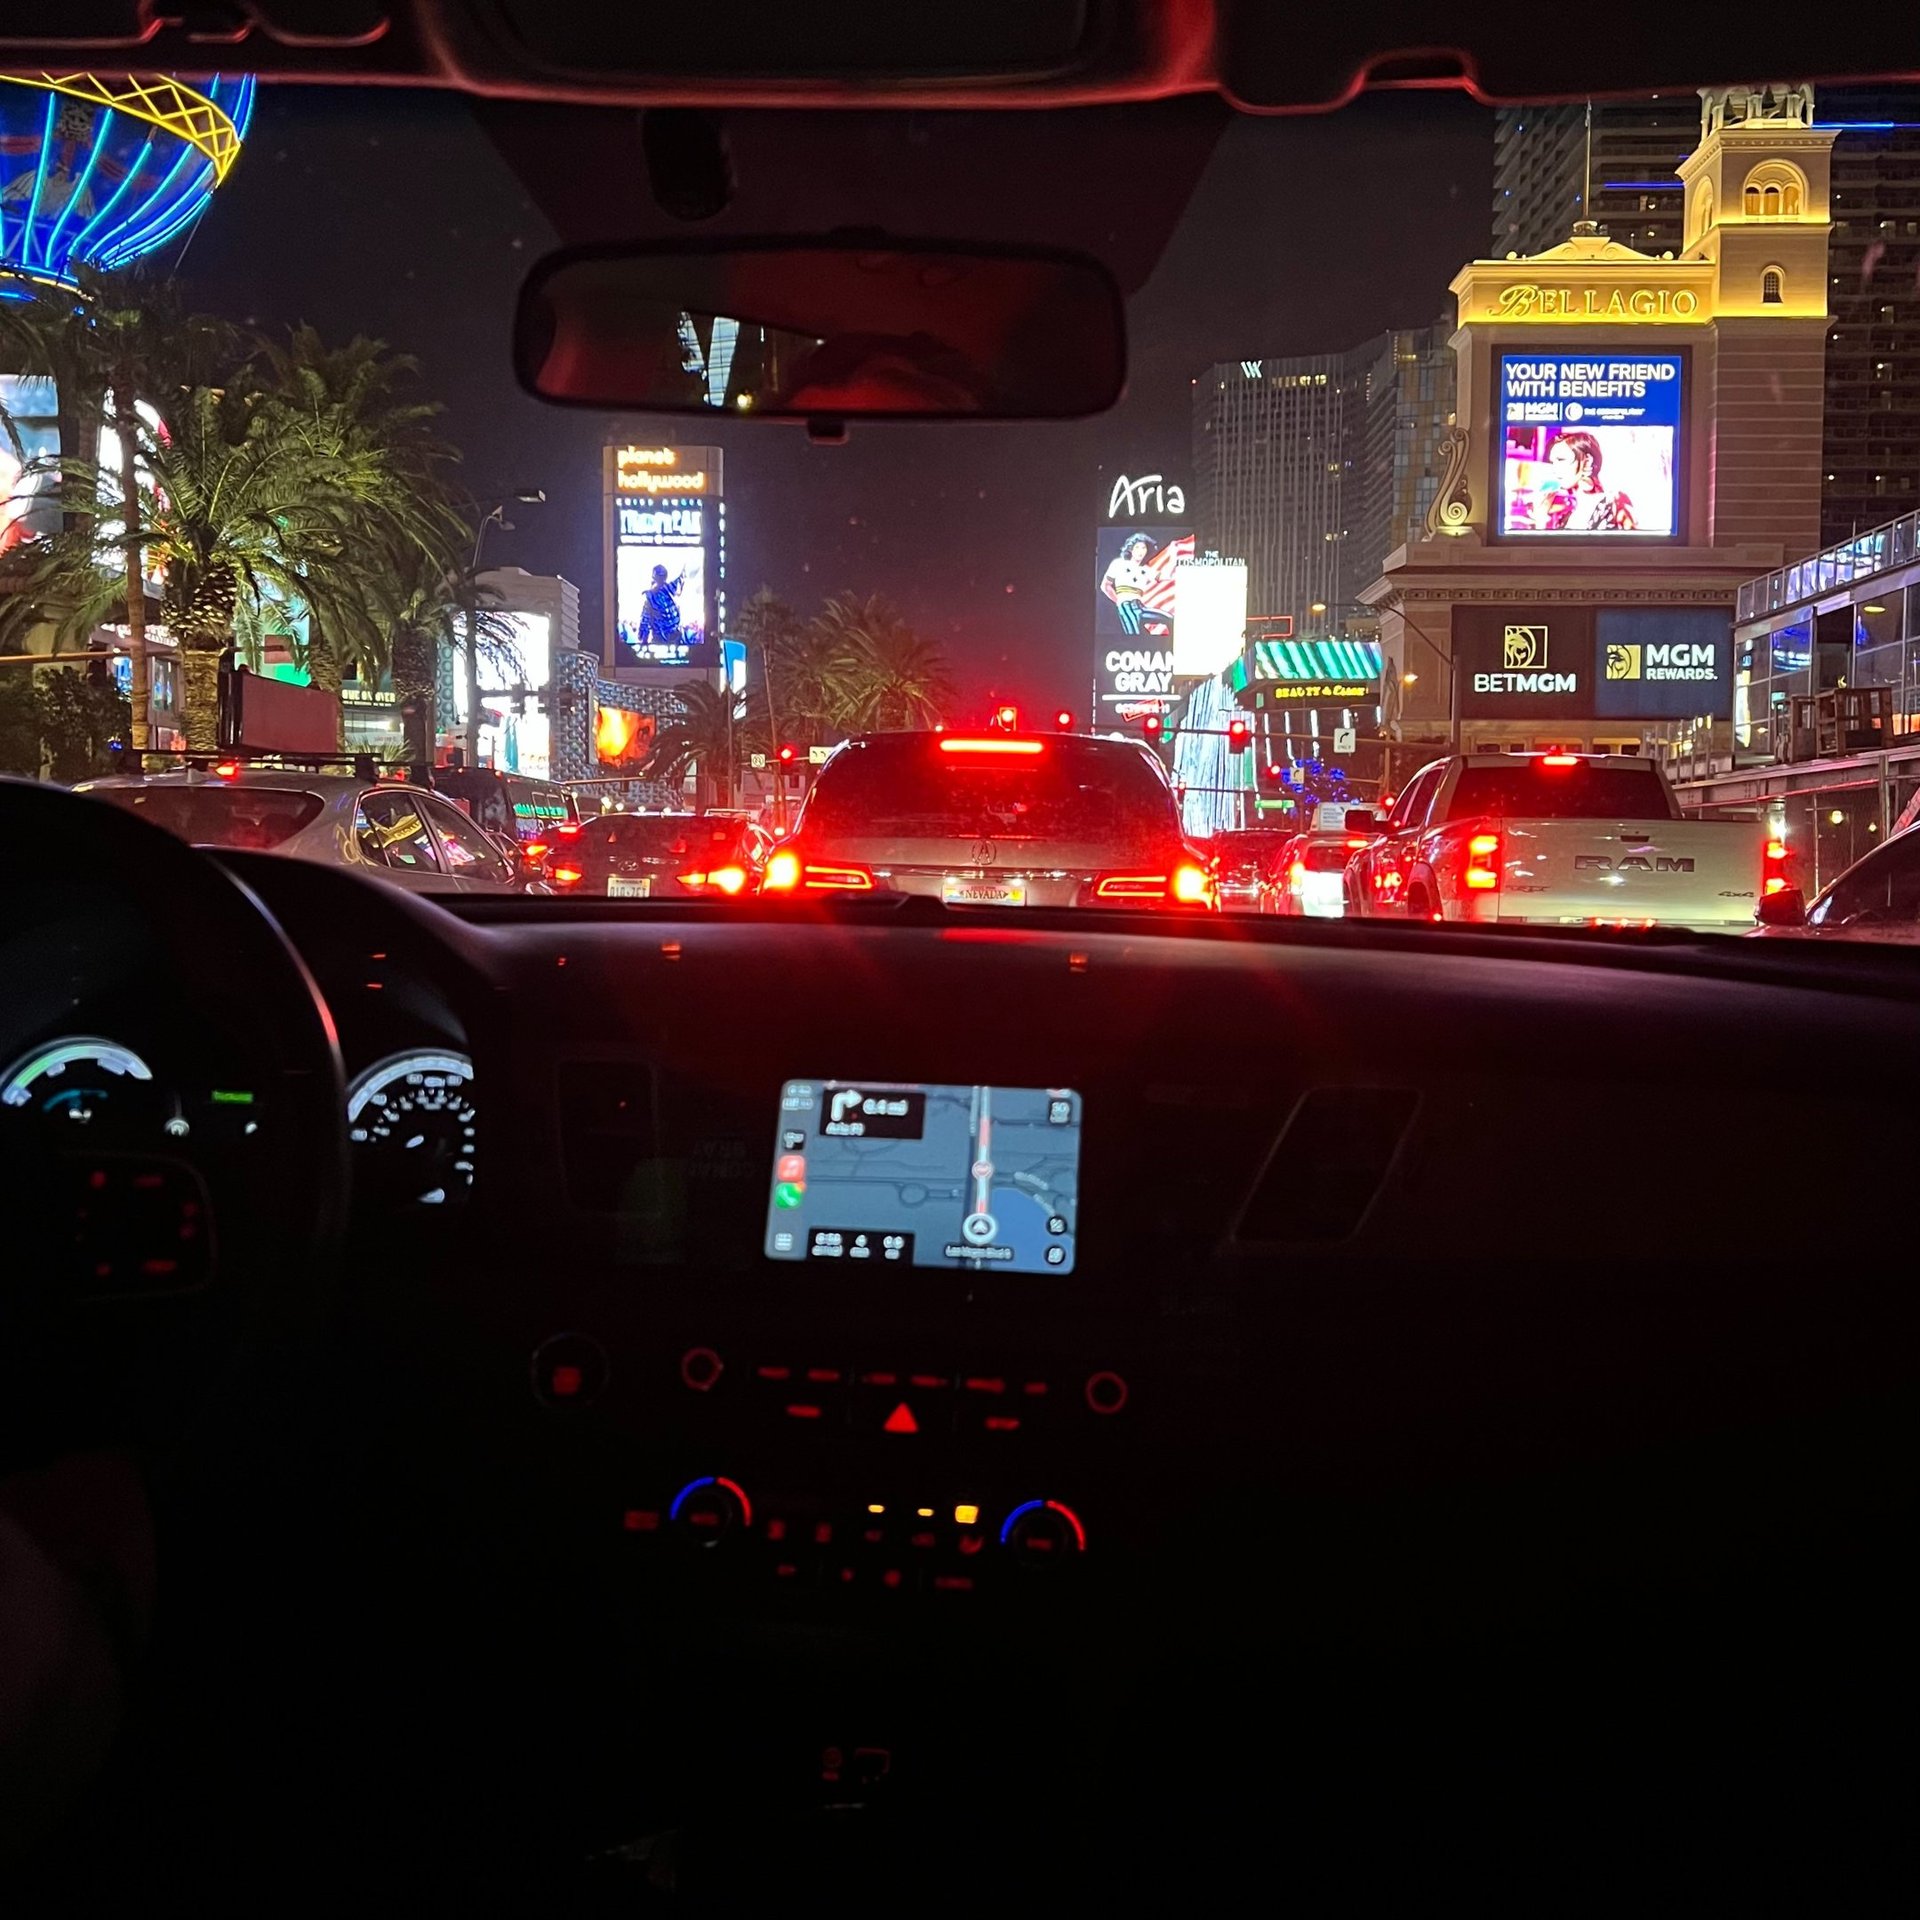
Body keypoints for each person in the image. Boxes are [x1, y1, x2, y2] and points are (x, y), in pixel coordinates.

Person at [1539, 429, 1637, 532]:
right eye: (1552, 462)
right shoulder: (1565, 513)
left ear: (1587, 461)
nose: (1554, 468)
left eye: (1561, 460)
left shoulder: (1612, 504)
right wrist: (1541, 517)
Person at [1101, 533, 1158, 635]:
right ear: (1131, 549)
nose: (1140, 551)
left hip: (1140, 606)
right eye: (1137, 547)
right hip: (1126, 605)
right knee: (1133, 635)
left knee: (1167, 619)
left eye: (1143, 548)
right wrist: (1119, 602)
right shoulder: (1119, 564)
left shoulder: (1146, 569)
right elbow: (1105, 585)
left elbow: (1161, 576)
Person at [633, 563, 687, 654]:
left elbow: (680, 580)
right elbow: (645, 620)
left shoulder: (669, 589)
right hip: (659, 639)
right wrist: (643, 641)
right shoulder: (650, 597)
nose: (661, 580)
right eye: (659, 576)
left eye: (663, 576)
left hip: (676, 637)